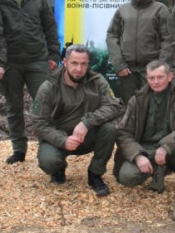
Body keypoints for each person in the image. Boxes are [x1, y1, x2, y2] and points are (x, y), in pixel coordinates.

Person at [114, 60, 175, 221]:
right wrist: (137, 156)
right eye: (151, 78)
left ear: (170, 77)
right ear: (147, 78)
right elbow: (123, 132)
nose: (155, 82)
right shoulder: (137, 100)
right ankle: (157, 169)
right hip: (146, 149)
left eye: (160, 77)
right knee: (127, 176)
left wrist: (166, 145)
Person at [0, 0, 61, 164]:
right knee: (13, 108)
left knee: (44, 106)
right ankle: (19, 150)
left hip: (37, 59)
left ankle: (47, 147)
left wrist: (54, 54)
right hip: (10, 62)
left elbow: (49, 25)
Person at [31, 44, 122, 196]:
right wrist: (63, 140)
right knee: (49, 162)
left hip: (87, 136)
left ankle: (95, 174)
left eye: (83, 64)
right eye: (74, 63)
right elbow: (39, 123)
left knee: (109, 129)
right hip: (59, 138)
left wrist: (87, 123)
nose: (79, 69)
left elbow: (113, 107)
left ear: (88, 64)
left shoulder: (97, 81)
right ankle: (58, 168)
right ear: (65, 62)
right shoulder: (49, 87)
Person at [106, 0, 175, 104]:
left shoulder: (160, 9)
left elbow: (168, 40)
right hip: (127, 71)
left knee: (153, 106)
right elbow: (112, 36)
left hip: (151, 71)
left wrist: (160, 68)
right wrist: (119, 64)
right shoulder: (122, 10)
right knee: (130, 107)